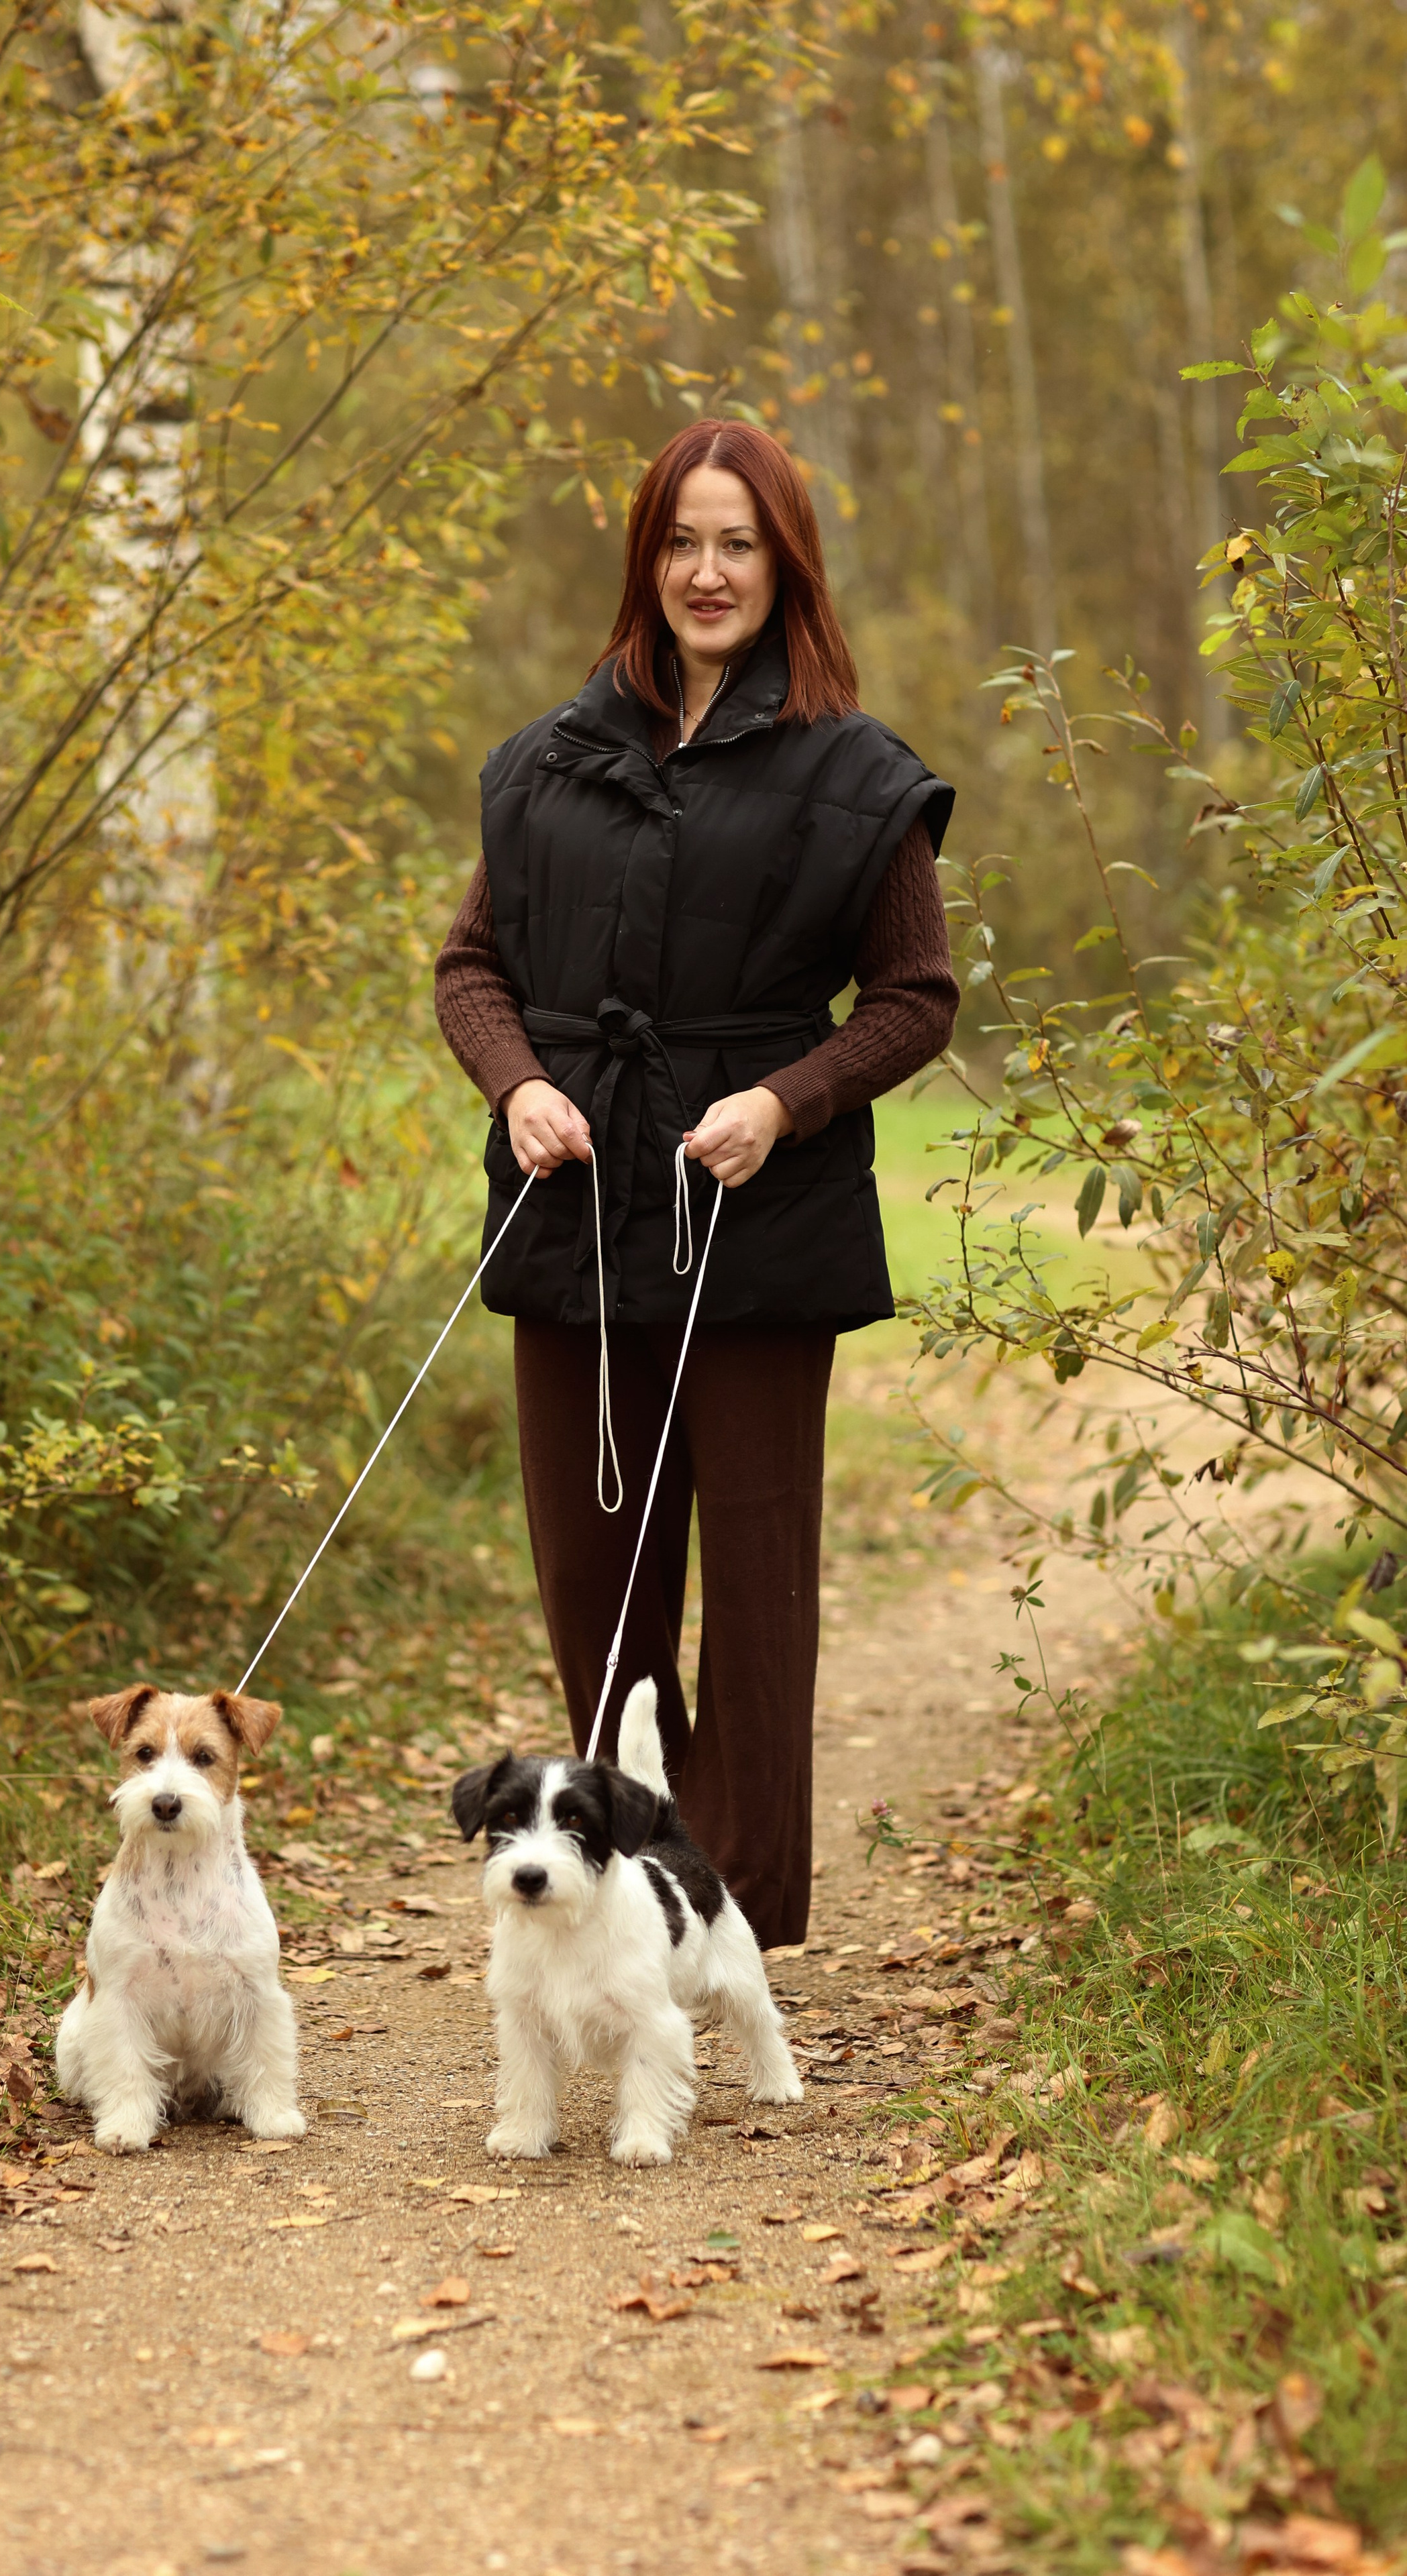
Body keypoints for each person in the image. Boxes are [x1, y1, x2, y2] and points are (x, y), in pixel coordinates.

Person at [433, 417, 956, 1949]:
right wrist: (518, 1083)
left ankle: (728, 1931)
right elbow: (473, 967)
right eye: (679, 541)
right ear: (642, 561)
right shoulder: (543, 762)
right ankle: (616, 1903)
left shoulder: (856, 777)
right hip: (576, 1218)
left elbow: (914, 1000)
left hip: (756, 1222)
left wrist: (783, 1104)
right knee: (597, 1591)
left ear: (783, 561)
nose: (705, 571)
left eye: (736, 542)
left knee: (755, 1597)